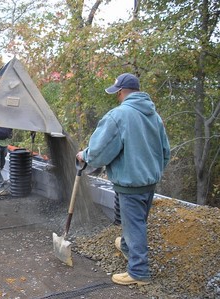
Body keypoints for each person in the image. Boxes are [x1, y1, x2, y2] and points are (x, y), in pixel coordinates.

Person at [76, 73, 170, 286]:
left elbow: (101, 150)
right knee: (137, 220)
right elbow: (166, 152)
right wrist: (153, 172)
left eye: (116, 93)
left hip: (130, 183)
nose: (117, 97)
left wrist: (85, 155)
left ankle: (138, 272)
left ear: (121, 92)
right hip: (149, 182)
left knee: (135, 224)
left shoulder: (118, 116)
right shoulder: (154, 116)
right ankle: (127, 246)